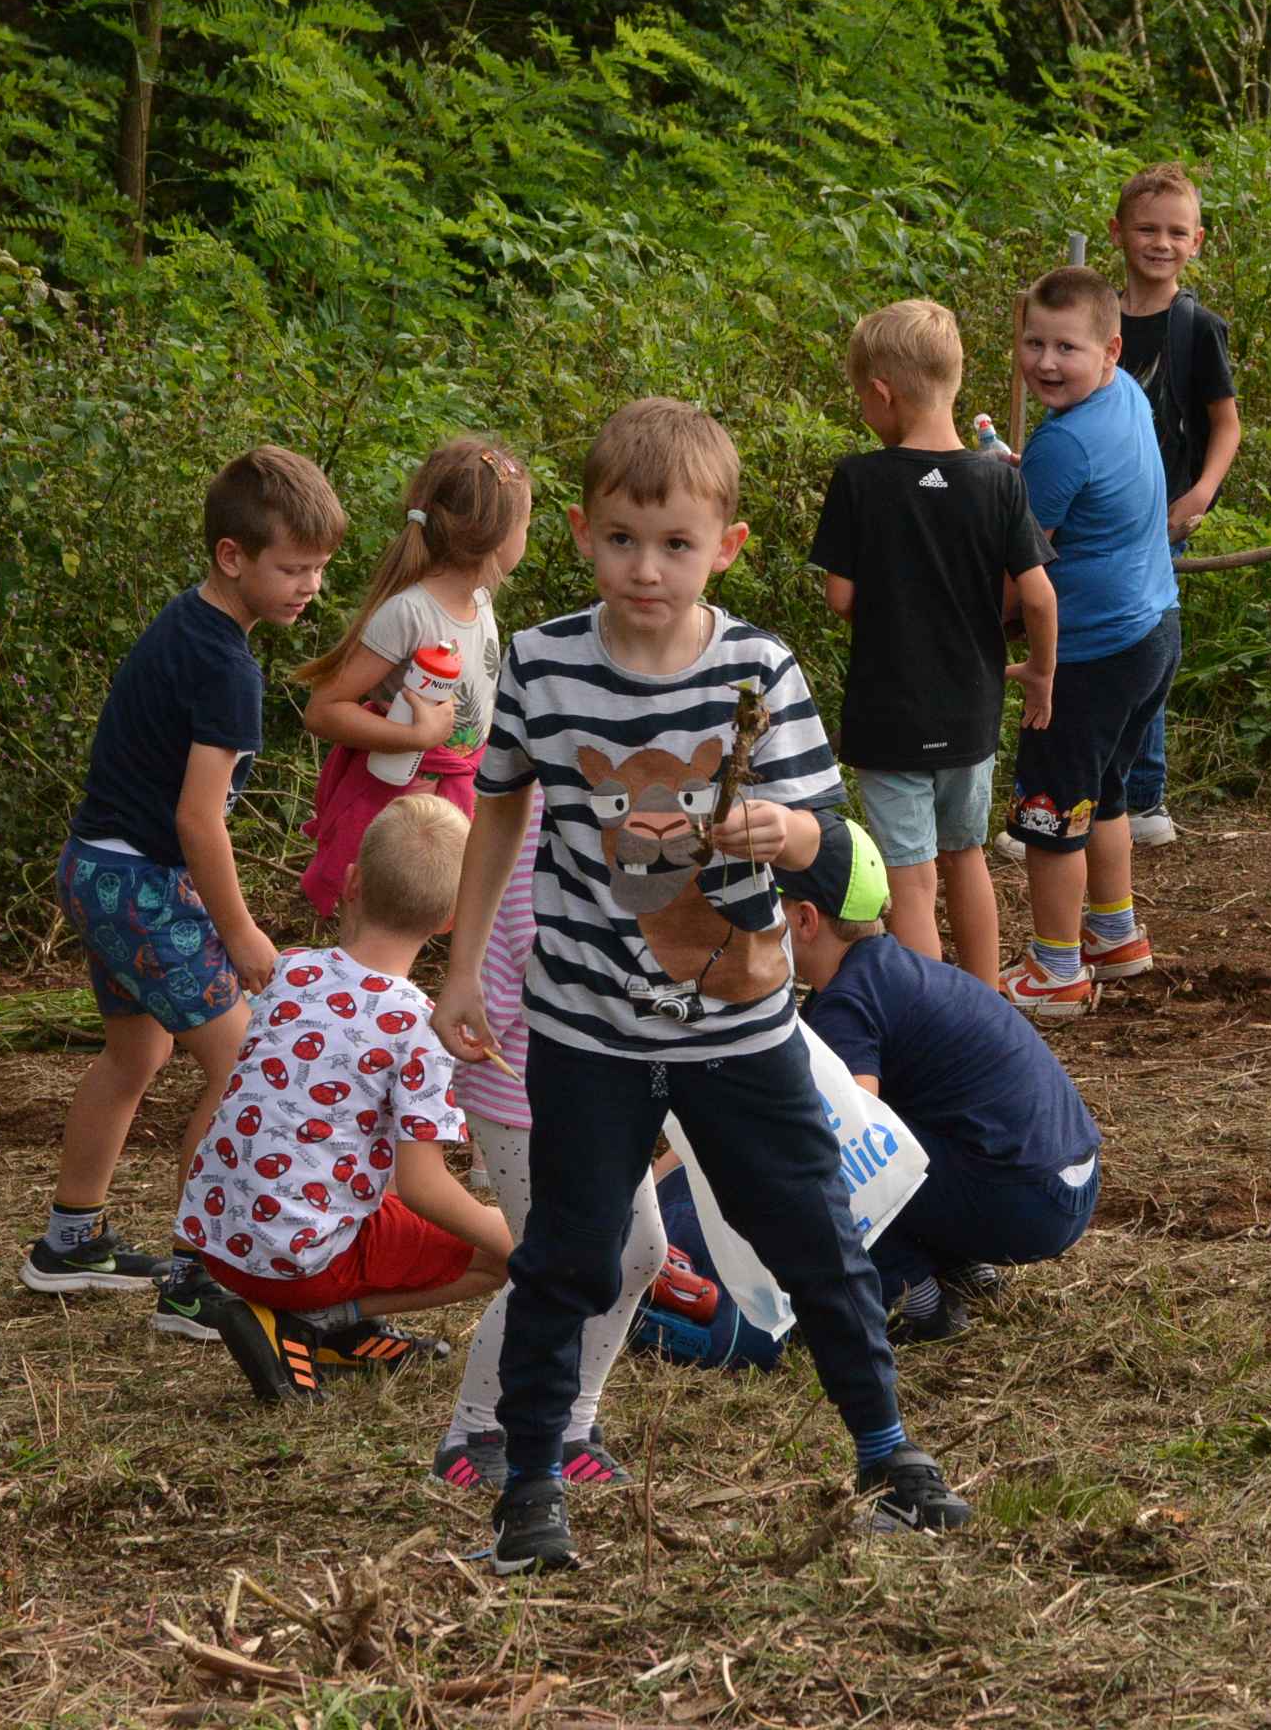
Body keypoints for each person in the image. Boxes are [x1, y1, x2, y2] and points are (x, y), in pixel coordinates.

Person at [432, 396, 972, 1575]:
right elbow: (500, 805)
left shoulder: (756, 668)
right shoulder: (540, 662)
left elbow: (839, 850)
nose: (646, 566)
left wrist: (781, 830)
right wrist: (465, 963)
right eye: (624, 537)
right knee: (567, 1257)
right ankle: (529, 1486)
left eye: (675, 543)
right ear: (580, 532)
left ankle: (889, 1455)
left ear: (723, 546)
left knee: (819, 1237)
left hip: (740, 1022)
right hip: (586, 1028)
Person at [19, 445, 347, 1293]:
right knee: (240, 1071)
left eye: (318, 568)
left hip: (97, 867)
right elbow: (197, 816)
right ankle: (203, 1278)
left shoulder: (191, 622)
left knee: (134, 1055)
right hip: (137, 884)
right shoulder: (227, 668)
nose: (308, 586)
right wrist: (239, 932)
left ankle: (70, 1241)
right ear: (231, 558)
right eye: (293, 568)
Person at [167, 793, 513, 1404]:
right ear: (451, 921)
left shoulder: (289, 971)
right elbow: (421, 1185)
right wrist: (514, 1235)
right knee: (501, 1260)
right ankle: (313, 1323)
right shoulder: (419, 1027)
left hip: (216, 1244)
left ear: (351, 882)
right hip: (295, 1264)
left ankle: (337, 1327)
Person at [808, 299, 1056, 986]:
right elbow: (1037, 595)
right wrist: (1039, 672)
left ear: (883, 392)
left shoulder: (860, 480)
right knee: (966, 856)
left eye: (863, 398)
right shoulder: (999, 480)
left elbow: (840, 597)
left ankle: (933, 1027)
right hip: (970, 708)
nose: (864, 412)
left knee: (910, 881)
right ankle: (984, 1006)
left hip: (890, 715)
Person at [779, 818, 1101, 1343]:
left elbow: (849, 1138)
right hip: (1070, 1179)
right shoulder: (895, 968)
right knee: (913, 1124)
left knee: (817, 1150)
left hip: (1024, 1199)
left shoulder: (847, 1003)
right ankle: (965, 1267)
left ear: (806, 919)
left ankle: (911, 1293)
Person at [434, 793, 670, 1490]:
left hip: (607, 1079)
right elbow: (529, 948)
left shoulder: (634, 808)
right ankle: (473, 1428)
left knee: (639, 1250)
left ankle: (572, 1423)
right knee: (555, 1263)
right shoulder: (540, 810)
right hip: (524, 1086)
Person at [1001, 267, 1180, 1018]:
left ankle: (1057, 972)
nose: (1045, 362)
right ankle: (1115, 936)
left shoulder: (1062, 443)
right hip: (1153, 633)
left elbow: (1019, 568)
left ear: (1108, 348)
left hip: (1089, 655)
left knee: (1050, 814)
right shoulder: (1126, 397)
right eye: (1033, 342)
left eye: (1065, 348)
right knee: (1102, 795)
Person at [293, 438, 531, 919]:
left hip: (455, 796)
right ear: (500, 534)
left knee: (421, 924)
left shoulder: (480, 600)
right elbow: (323, 709)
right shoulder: (410, 612)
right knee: (376, 922)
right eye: (527, 522)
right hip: (400, 802)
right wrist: (415, 735)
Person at [1111, 163, 1239, 849]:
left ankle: (1142, 798)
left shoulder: (1197, 328)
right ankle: (1094, 792)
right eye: (1147, 229)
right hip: (1096, 515)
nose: (1160, 242)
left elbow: (1226, 423)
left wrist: (1199, 495)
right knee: (1097, 646)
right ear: (1118, 233)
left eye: (1176, 232)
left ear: (1197, 242)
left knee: (1145, 644)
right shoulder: (1095, 318)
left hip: (1163, 518)